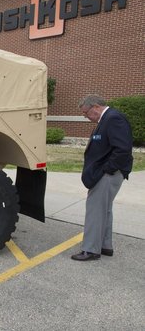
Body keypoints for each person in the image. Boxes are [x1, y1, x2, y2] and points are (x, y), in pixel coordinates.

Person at [71, 95, 133, 261]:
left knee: (95, 210)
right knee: (104, 210)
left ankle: (90, 250)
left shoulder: (113, 119)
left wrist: (107, 170)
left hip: (108, 174)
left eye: (86, 113)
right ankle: (105, 246)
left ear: (96, 107)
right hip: (106, 173)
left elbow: (122, 150)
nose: (85, 117)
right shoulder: (107, 119)